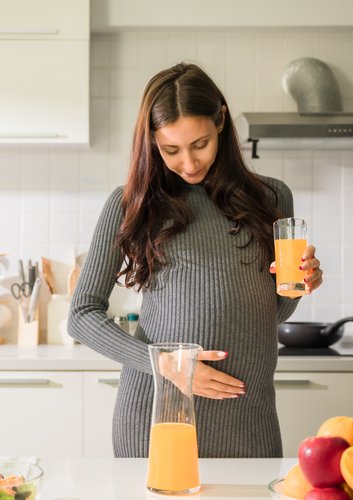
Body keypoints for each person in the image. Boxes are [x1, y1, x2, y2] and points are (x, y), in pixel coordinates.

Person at [68, 62, 324, 458]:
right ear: (152, 142)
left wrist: (299, 283)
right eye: (171, 150)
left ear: (220, 120)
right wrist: (165, 364)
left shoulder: (272, 198)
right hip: (158, 415)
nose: (188, 163)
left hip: (248, 417)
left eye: (199, 144)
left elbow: (271, 313)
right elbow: (81, 314)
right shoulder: (132, 204)